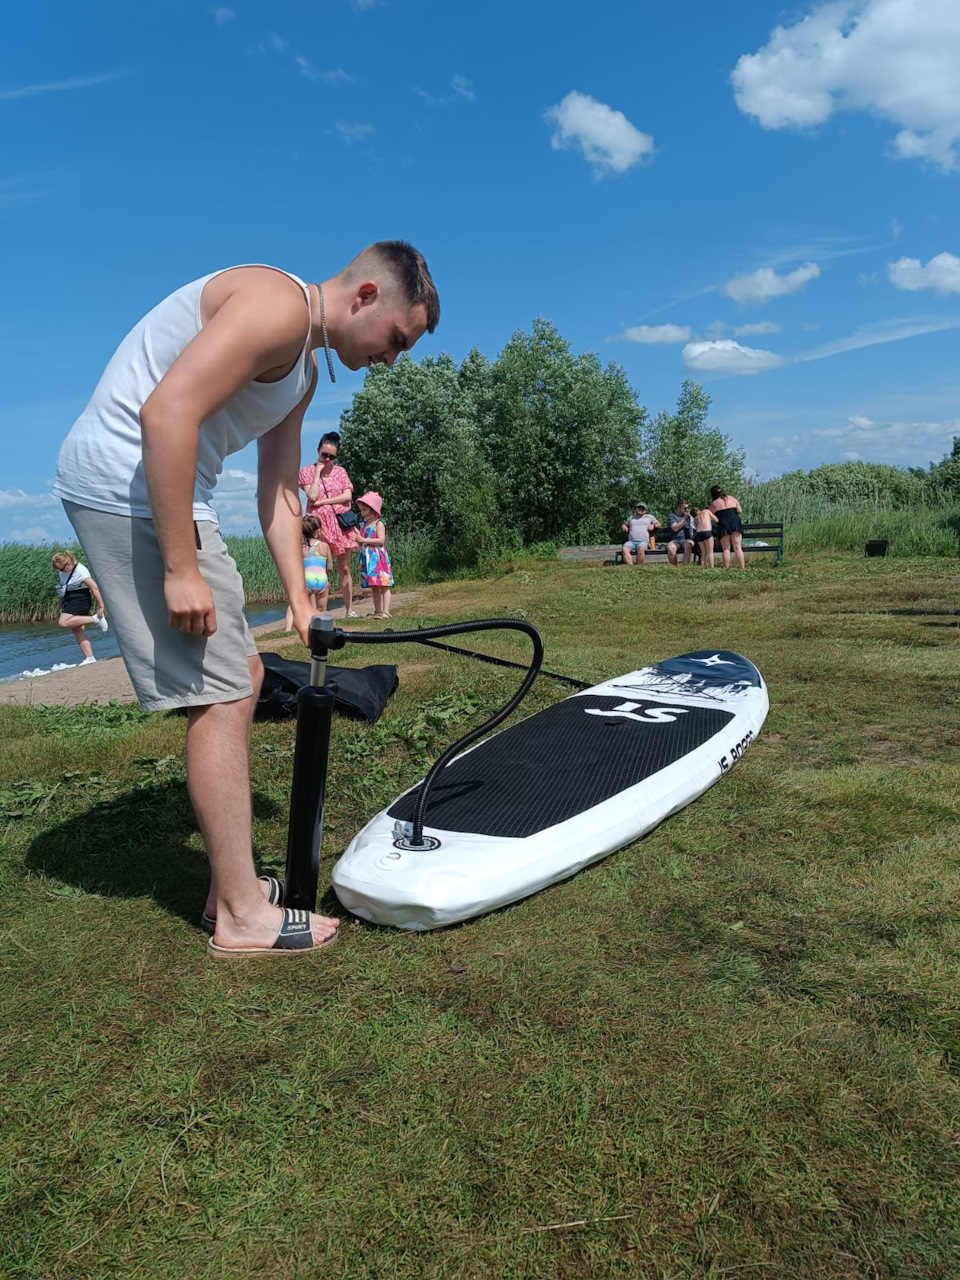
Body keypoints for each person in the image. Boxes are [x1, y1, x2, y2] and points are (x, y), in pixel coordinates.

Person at [51, 242, 440, 958]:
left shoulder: (303, 371)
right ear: (365, 296)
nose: (392, 360)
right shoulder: (275, 306)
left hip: (164, 492)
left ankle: (224, 890)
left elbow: (280, 491)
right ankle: (237, 913)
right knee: (224, 692)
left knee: (248, 675)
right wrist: (179, 569)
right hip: (124, 486)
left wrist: (298, 597)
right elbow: (166, 413)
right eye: (396, 340)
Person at [299, 431, 359, 618]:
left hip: (340, 526)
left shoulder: (340, 472)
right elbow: (312, 496)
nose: (327, 459)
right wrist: (317, 472)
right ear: (318, 450)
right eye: (324, 454)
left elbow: (347, 496)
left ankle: (349, 610)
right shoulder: (306, 472)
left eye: (332, 456)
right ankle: (313, 612)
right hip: (318, 526)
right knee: (314, 568)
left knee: (345, 568)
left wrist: (324, 502)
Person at [51, 550, 109, 664]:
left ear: (68, 564)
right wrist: (61, 599)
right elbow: (65, 585)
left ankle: (96, 619)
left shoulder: (81, 571)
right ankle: (90, 658)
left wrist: (101, 606)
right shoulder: (63, 571)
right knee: (77, 629)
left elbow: (94, 587)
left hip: (80, 598)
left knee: (62, 622)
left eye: (61, 569)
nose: (60, 571)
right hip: (69, 598)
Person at [283, 515, 331, 631]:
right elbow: (329, 567)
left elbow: (296, 567)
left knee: (294, 604)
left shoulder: (302, 548)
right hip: (322, 581)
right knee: (321, 609)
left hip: (307, 581)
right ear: (318, 530)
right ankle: (320, 629)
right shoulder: (324, 546)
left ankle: (288, 628)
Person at [355, 491, 394, 618]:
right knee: (374, 586)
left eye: (365, 510)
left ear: (373, 510)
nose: (362, 513)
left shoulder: (379, 524)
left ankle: (386, 611)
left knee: (384, 584)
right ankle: (377, 611)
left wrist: (364, 540)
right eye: (361, 510)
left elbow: (381, 540)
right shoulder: (364, 525)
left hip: (378, 558)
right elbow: (361, 541)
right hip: (368, 557)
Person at [709, 485, 746, 570]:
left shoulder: (713, 504)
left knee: (726, 549)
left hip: (723, 524)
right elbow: (740, 510)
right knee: (737, 547)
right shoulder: (732, 498)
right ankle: (742, 568)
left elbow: (711, 516)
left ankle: (726, 568)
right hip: (734, 522)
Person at [620, 502, 660, 566]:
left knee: (641, 549)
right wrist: (624, 526)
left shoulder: (649, 517)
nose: (641, 509)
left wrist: (653, 525)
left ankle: (638, 566)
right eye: (639, 508)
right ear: (636, 508)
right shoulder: (631, 518)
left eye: (643, 508)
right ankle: (631, 567)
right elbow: (624, 524)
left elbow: (658, 524)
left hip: (643, 542)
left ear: (645, 510)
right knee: (625, 549)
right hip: (631, 542)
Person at [666, 500, 695, 566]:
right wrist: (685, 519)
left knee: (688, 545)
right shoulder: (672, 516)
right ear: (679, 507)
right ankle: (674, 568)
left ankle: (684, 568)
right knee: (671, 548)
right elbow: (675, 528)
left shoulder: (690, 517)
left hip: (687, 539)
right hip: (675, 540)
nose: (687, 510)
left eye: (688, 508)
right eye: (685, 508)